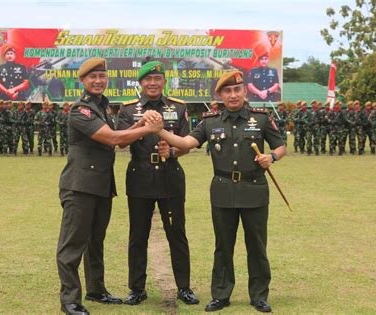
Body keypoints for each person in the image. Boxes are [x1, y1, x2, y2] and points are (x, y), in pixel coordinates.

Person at [156, 70, 286, 313]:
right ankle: (221, 295)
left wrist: (272, 157)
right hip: (223, 190)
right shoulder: (210, 121)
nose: (233, 95)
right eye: (227, 91)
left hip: (254, 189)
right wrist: (160, 131)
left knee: (257, 245)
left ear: (245, 91)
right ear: (220, 95)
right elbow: (185, 143)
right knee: (223, 245)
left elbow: (281, 146)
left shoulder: (260, 118)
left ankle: (259, 295)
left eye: (237, 90)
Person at [56, 57, 163, 315]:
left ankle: (96, 289)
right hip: (80, 186)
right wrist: (148, 129)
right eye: (92, 77)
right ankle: (70, 300)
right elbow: (113, 138)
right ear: (82, 81)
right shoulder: (80, 109)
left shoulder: (102, 107)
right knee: (72, 245)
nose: (98, 81)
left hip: (101, 186)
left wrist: (140, 123)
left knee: (96, 241)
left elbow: (121, 140)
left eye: (102, 77)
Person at [117, 60, 199, 306]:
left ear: (164, 81)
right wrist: (141, 125)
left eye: (157, 79)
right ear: (140, 83)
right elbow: (121, 142)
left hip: (170, 176)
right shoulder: (128, 109)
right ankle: (137, 289)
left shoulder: (179, 107)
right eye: (148, 79)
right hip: (140, 175)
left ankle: (184, 288)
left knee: (177, 234)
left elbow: (186, 143)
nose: (153, 83)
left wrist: (171, 151)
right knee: (138, 235)